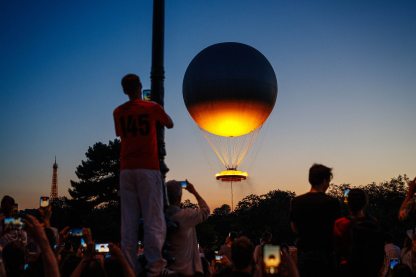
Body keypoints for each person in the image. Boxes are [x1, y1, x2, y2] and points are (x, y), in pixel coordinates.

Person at [113, 73, 174, 276]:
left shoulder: (118, 112)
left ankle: (129, 266)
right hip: (148, 166)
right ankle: (155, 266)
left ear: (124, 90)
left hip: (126, 169)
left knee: (128, 220)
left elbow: (121, 134)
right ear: (140, 86)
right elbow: (170, 123)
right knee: (153, 218)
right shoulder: (152, 107)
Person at [290, 163, 340, 277]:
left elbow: (294, 228)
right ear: (324, 181)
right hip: (326, 257)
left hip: (304, 256)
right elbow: (336, 230)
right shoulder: (332, 202)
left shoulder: (296, 202)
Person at [333, 188, 385, 277]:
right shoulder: (374, 223)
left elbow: (336, 250)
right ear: (365, 203)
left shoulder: (340, 223)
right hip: (369, 270)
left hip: (347, 269)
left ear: (348, 203)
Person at [165, 180, 210, 276]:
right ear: (180, 197)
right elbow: (205, 211)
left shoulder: (159, 218)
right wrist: (194, 192)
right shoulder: (186, 216)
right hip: (186, 272)